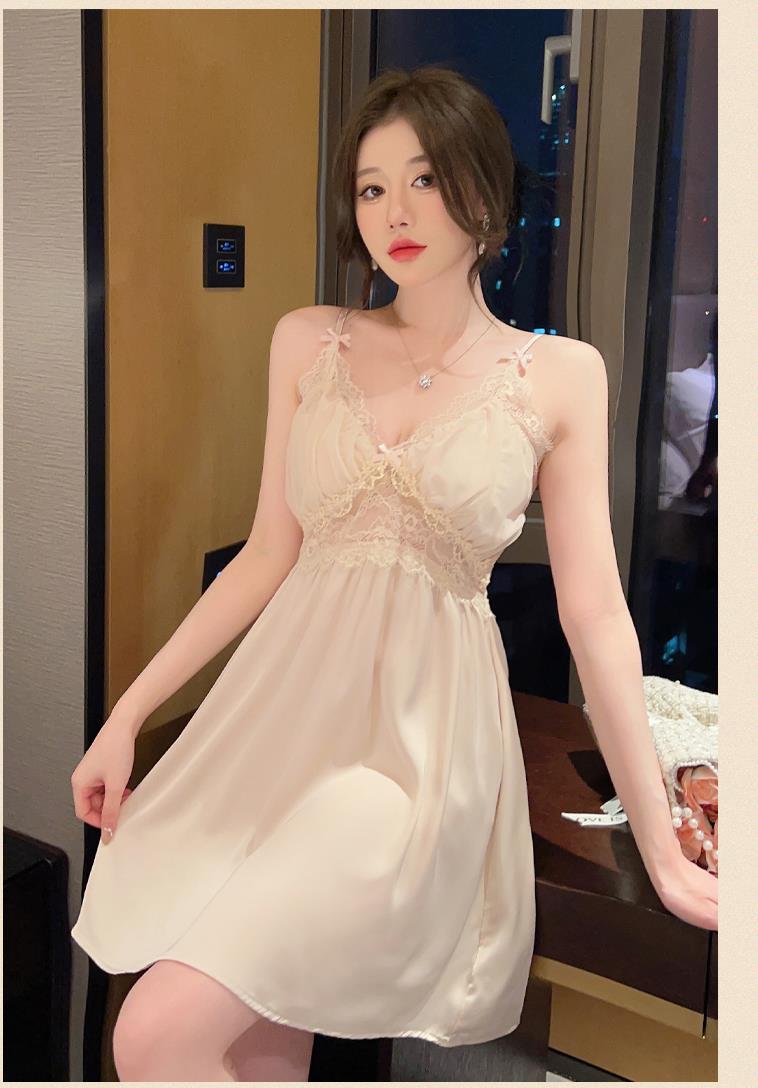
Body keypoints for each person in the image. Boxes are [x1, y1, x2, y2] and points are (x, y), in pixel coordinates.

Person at [70, 66, 718, 1082]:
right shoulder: (307, 340)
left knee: (155, 1033)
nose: (395, 212)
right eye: (371, 188)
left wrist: (663, 849)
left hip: (411, 750)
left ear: (484, 193)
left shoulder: (560, 374)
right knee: (258, 1032)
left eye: (424, 178)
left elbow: (594, 611)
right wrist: (126, 715)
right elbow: (267, 553)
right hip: (278, 722)